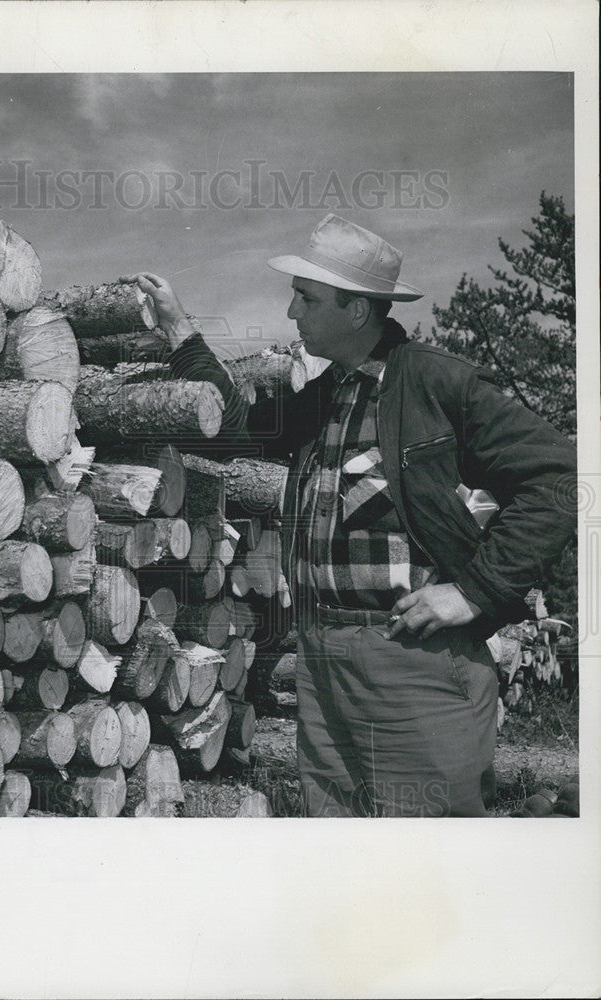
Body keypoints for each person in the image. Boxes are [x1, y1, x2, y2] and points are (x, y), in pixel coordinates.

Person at [122, 213, 576, 817]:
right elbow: (236, 430)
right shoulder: (331, 392)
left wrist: (474, 590)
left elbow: (563, 478)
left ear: (356, 310)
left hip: (412, 660)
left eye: (305, 299)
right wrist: (183, 337)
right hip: (323, 657)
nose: (292, 313)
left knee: (422, 862)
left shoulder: (437, 384)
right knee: (337, 857)